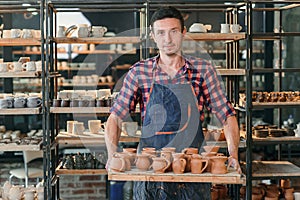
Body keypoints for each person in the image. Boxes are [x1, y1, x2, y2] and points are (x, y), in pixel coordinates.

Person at [105, 6, 241, 199]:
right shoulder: (139, 72)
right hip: (151, 168)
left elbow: (227, 116)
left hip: (191, 167)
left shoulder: (203, 69)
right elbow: (115, 118)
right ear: (153, 35)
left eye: (173, 31)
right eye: (161, 33)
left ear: (183, 33)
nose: (167, 39)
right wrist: (112, 155)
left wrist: (233, 155)